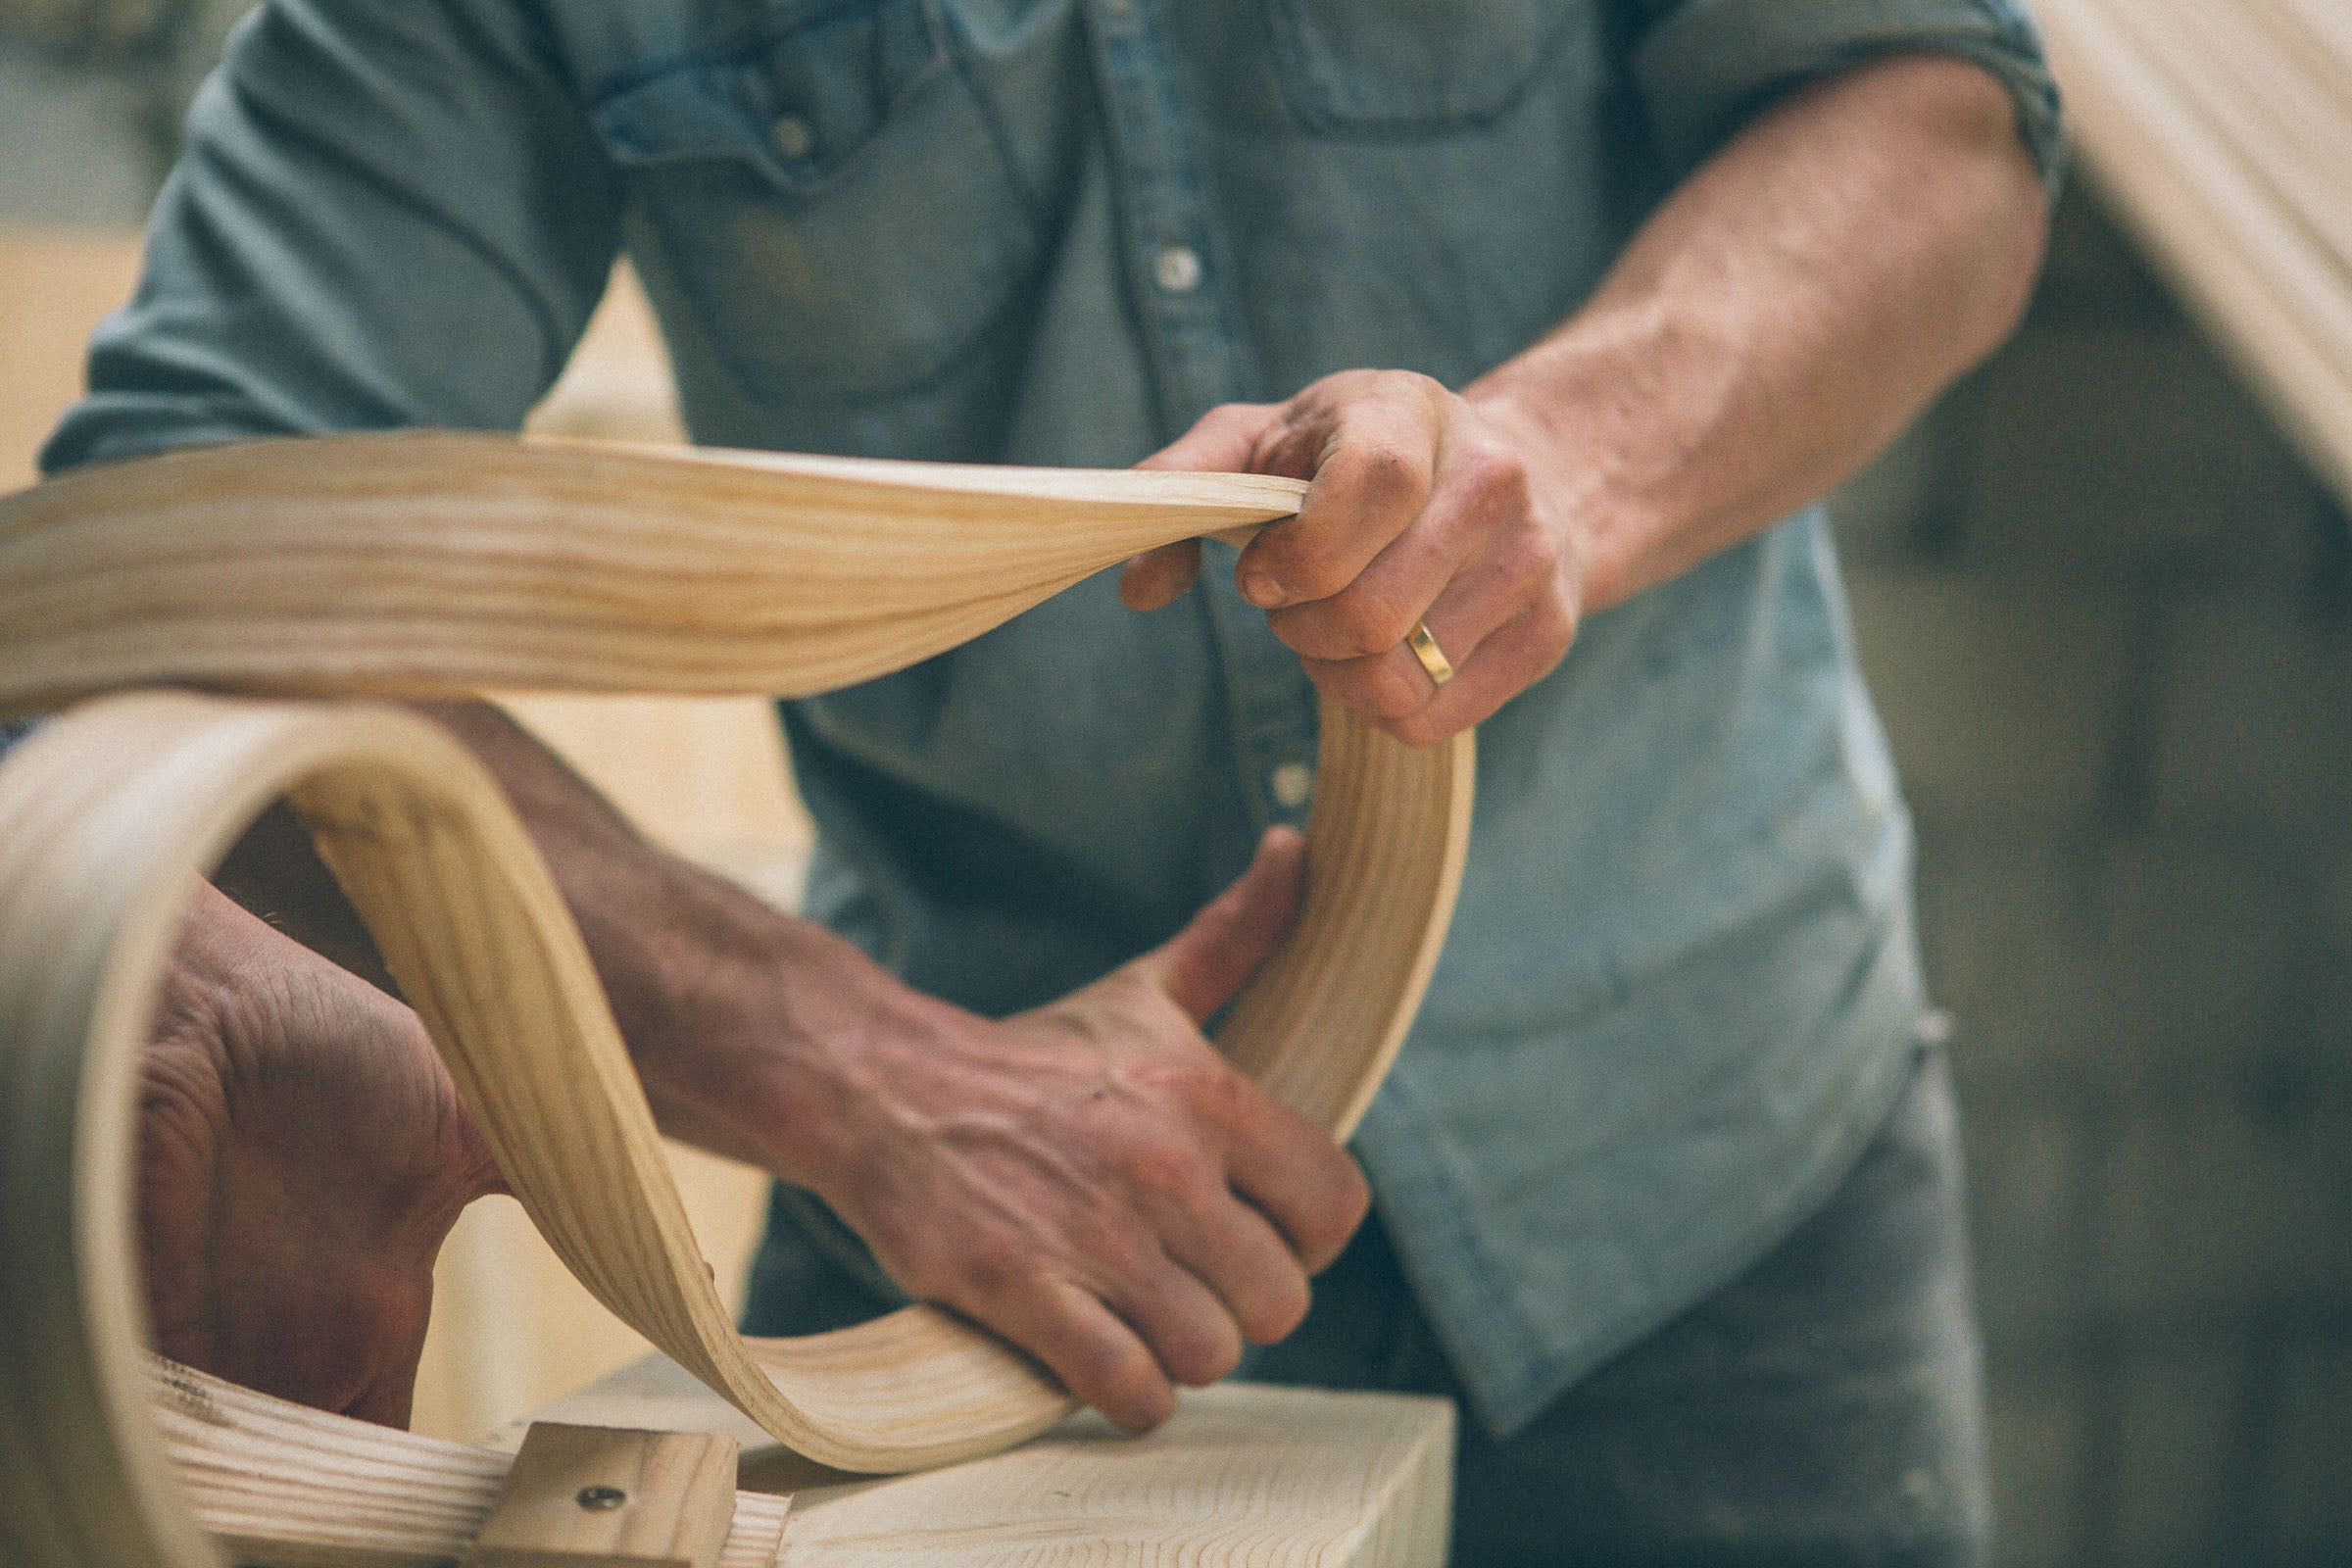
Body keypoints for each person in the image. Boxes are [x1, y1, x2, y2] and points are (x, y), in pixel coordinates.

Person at [39, 1, 2062, 1560]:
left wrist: (1555, 471)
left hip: (1711, 1172)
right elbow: (173, 541)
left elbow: (1941, 123)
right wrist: (853, 1064)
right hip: (959, 1227)